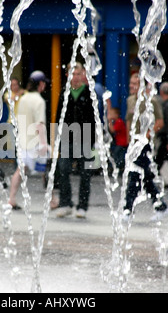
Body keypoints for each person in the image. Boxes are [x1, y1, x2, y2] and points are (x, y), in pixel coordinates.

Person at [123, 73, 168, 222]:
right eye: (130, 83)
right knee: (146, 177)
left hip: (145, 145)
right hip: (133, 144)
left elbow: (160, 122)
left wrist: (146, 136)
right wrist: (129, 140)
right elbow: (129, 121)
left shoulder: (152, 101)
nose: (131, 86)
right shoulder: (130, 100)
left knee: (135, 175)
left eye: (134, 84)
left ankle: (127, 209)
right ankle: (161, 206)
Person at [55, 62, 96, 219]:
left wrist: (93, 140)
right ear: (67, 75)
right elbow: (59, 116)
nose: (75, 77)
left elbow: (94, 118)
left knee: (85, 173)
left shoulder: (89, 93)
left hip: (85, 137)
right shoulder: (64, 93)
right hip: (67, 137)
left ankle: (82, 206)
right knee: (63, 169)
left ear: (83, 75)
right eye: (72, 74)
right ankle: (66, 203)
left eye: (78, 74)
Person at [5, 71, 49, 210]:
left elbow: (18, 119)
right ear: (40, 84)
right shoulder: (39, 101)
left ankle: (11, 198)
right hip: (35, 142)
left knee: (20, 170)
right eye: (44, 83)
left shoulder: (23, 98)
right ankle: (52, 199)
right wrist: (43, 143)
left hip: (23, 141)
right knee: (46, 171)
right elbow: (40, 124)